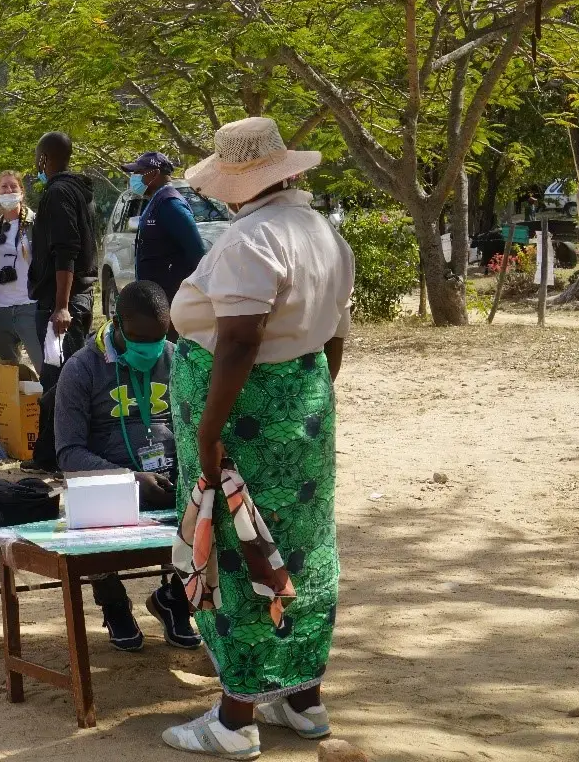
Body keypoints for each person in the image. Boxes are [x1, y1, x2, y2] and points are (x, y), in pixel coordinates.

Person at [161, 117, 354, 759]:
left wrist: (212, 433)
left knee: (244, 550)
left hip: (244, 418)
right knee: (298, 548)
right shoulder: (322, 233)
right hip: (301, 410)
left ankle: (233, 717)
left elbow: (240, 340)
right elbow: (333, 339)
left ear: (239, 186)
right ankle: (302, 700)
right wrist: (309, 406)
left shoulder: (255, 238)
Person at [41, 279, 201, 652]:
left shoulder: (175, 360)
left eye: (159, 338)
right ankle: (113, 603)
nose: (151, 349)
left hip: (170, 481)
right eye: (141, 339)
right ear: (117, 322)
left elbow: (194, 428)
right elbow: (68, 453)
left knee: (215, 510)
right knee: (90, 512)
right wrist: (130, 479)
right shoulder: (82, 370)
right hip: (110, 487)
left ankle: (175, 600)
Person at [29, 131, 99, 394]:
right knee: (63, 380)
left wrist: (61, 307)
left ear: (44, 159)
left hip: (62, 308)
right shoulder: (78, 190)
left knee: (60, 386)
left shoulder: (59, 192)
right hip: (76, 299)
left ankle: (60, 436)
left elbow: (66, 251)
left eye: (37, 158)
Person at [123, 152, 205, 335]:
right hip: (155, 300)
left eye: (138, 172)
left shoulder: (170, 203)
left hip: (171, 301)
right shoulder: (155, 201)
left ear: (154, 173)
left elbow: (197, 251)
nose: (133, 177)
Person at [0, 171, 44, 375]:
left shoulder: (36, 223)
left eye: (13, 186)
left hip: (29, 305)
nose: (8, 190)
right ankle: (20, 408)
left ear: (21, 191)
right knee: (10, 374)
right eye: (3, 187)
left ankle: (49, 406)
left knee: (45, 367)